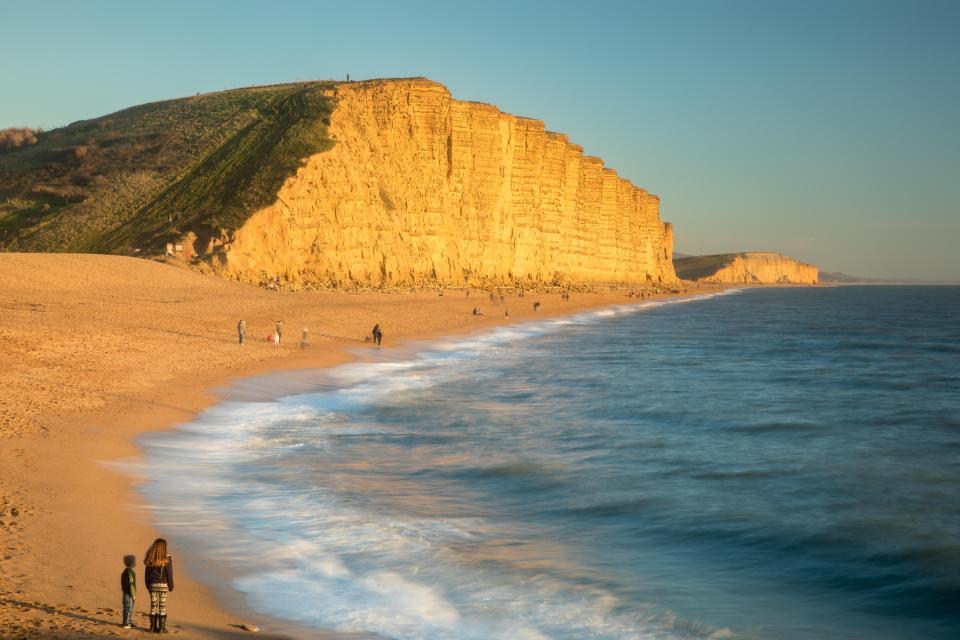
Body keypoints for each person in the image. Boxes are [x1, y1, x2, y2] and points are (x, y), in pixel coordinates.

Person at [144, 538, 174, 633]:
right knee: (162, 606)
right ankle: (161, 628)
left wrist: (148, 586)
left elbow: (147, 574)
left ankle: (152, 627)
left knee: (153, 605)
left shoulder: (151, 557)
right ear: (164, 547)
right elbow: (169, 573)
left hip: (153, 585)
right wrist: (171, 585)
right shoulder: (167, 557)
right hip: (163, 585)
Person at [120, 554, 137, 629]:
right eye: (134, 562)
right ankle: (126, 623)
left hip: (130, 592)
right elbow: (129, 584)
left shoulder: (129, 571)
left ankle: (128, 621)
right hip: (128, 593)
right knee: (128, 607)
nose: (135, 563)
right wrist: (132, 593)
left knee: (130, 608)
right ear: (132, 563)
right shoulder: (128, 573)